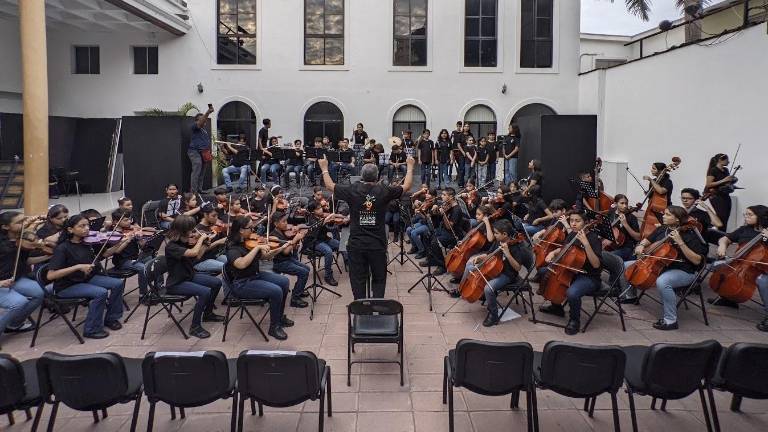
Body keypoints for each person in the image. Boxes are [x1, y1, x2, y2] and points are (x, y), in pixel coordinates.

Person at [318, 152, 414, 299]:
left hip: (357, 244)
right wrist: (410, 166)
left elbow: (330, 186)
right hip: (377, 244)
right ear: (377, 177)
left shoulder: (352, 190)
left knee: (358, 279)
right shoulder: (384, 190)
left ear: (362, 176)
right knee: (379, 278)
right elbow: (406, 186)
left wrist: (324, 167)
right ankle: (377, 304)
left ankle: (360, 306)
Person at [623, 206, 708, 330]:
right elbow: (647, 240)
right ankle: (631, 296)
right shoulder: (663, 229)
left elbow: (696, 260)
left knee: (663, 281)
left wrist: (680, 242)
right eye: (665, 214)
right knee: (626, 265)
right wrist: (640, 246)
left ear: (678, 219)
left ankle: (670, 320)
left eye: (668, 215)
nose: (663, 216)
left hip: (684, 270)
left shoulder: (690, 235)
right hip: (662, 265)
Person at [47, 215, 126, 339]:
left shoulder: (88, 242)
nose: (87, 228)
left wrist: (119, 243)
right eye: (82, 226)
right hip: (67, 285)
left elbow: (105, 254)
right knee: (101, 293)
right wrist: (77, 267)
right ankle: (91, 329)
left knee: (117, 284)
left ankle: (111, 318)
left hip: (86, 279)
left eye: (87, 225)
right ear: (70, 230)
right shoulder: (63, 248)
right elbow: (51, 275)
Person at [225, 215, 292, 340]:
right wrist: (256, 248)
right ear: (241, 230)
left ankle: (279, 317)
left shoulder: (247, 243)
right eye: (250, 228)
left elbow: (265, 257)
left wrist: (280, 248)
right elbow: (241, 264)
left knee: (284, 281)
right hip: (242, 283)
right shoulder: (232, 248)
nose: (253, 231)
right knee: (276, 291)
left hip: (255, 276)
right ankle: (274, 327)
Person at [538, 210, 603, 335]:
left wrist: (586, 244)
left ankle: (574, 320)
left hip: (589, 276)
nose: (573, 224)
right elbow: (565, 248)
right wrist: (553, 252)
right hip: (570, 270)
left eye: (577, 221)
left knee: (572, 293)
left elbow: (596, 264)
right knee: (543, 272)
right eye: (571, 220)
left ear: (586, 223)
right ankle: (556, 307)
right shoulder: (573, 234)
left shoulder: (594, 239)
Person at [163, 215, 225, 339]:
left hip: (188, 276)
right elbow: (193, 253)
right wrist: (201, 239)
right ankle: (195, 327)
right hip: (176, 283)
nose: (193, 232)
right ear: (182, 230)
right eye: (191, 230)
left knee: (216, 283)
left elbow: (197, 257)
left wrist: (206, 244)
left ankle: (207, 313)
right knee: (204, 292)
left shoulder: (184, 242)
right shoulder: (172, 246)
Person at [466, 219, 531, 327]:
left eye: (496, 233)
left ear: (505, 234)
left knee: (489, 288)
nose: (494, 235)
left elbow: (518, 268)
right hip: (494, 269)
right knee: (470, 266)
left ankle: (493, 315)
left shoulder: (516, 247)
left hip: (507, 274)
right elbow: (491, 254)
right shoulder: (498, 241)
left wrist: (508, 254)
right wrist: (480, 257)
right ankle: (482, 295)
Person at [711, 205, 768, 327]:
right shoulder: (745, 229)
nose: (746, 217)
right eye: (745, 214)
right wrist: (722, 246)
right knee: (716, 265)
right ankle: (729, 298)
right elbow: (725, 238)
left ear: (761, 217)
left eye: (750, 215)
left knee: (762, 281)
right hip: (746, 264)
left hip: (764, 268)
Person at [0, 212, 47, 336]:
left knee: (40, 292)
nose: (24, 224)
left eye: (24, 220)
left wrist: (48, 254)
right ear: (5, 227)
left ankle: (14, 324)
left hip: (14, 279)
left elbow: (25, 261)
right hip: (1, 284)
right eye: (19, 222)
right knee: (19, 302)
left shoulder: (20, 240)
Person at [421, 188, 469, 276]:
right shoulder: (447, 205)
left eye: (444, 195)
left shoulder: (456, 210)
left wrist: (443, 214)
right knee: (426, 234)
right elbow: (437, 216)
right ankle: (432, 259)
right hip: (443, 230)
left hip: (453, 235)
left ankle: (442, 266)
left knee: (435, 242)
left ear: (450, 196)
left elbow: (449, 226)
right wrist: (435, 210)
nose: (441, 196)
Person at [269, 211, 310, 308]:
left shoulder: (282, 232)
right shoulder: (273, 236)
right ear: (275, 223)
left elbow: (290, 247)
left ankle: (298, 290)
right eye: (283, 222)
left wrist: (295, 244)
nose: (286, 223)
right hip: (280, 263)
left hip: (288, 259)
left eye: (286, 221)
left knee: (307, 269)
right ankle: (295, 299)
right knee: (303, 272)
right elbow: (285, 251)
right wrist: (295, 239)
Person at [604, 194, 641, 261]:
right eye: (622, 203)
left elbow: (638, 237)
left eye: (626, 203)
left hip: (627, 248)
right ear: (615, 204)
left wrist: (625, 224)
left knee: (606, 257)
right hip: (612, 245)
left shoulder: (631, 217)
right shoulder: (611, 213)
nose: (625, 206)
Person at [705, 153, 736, 228]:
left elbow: (726, 182)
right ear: (720, 160)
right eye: (727, 160)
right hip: (717, 196)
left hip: (725, 195)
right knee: (721, 217)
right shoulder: (713, 170)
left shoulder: (725, 170)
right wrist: (724, 180)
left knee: (726, 217)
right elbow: (708, 184)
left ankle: (723, 234)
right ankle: (719, 235)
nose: (728, 162)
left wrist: (732, 181)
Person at [188, 105, 214, 193]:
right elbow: (200, 123)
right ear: (197, 121)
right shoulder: (195, 127)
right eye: (202, 119)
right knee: (197, 170)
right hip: (194, 152)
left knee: (202, 172)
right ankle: (193, 191)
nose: (204, 120)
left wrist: (209, 152)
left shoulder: (204, 130)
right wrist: (208, 112)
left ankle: (199, 189)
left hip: (204, 152)